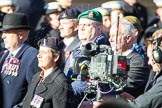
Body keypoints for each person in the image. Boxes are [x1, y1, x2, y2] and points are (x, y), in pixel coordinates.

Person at [22, 36, 76, 108]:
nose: (38, 56)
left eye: (43, 53)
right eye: (39, 52)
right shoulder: (36, 77)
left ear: (55, 57)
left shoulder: (61, 84)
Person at [0, 13, 41, 108]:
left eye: (7, 33)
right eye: (3, 33)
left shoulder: (32, 56)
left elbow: (37, 92)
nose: (3, 36)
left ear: (21, 35)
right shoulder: (5, 54)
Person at [121, 29, 162, 108]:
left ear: (159, 56)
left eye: (151, 58)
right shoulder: (155, 74)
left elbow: (142, 105)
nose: (149, 62)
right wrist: (135, 100)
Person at [109, 18, 149, 98]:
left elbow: (123, 86)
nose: (110, 40)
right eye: (110, 36)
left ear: (128, 38)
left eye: (115, 36)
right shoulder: (109, 55)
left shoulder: (137, 61)